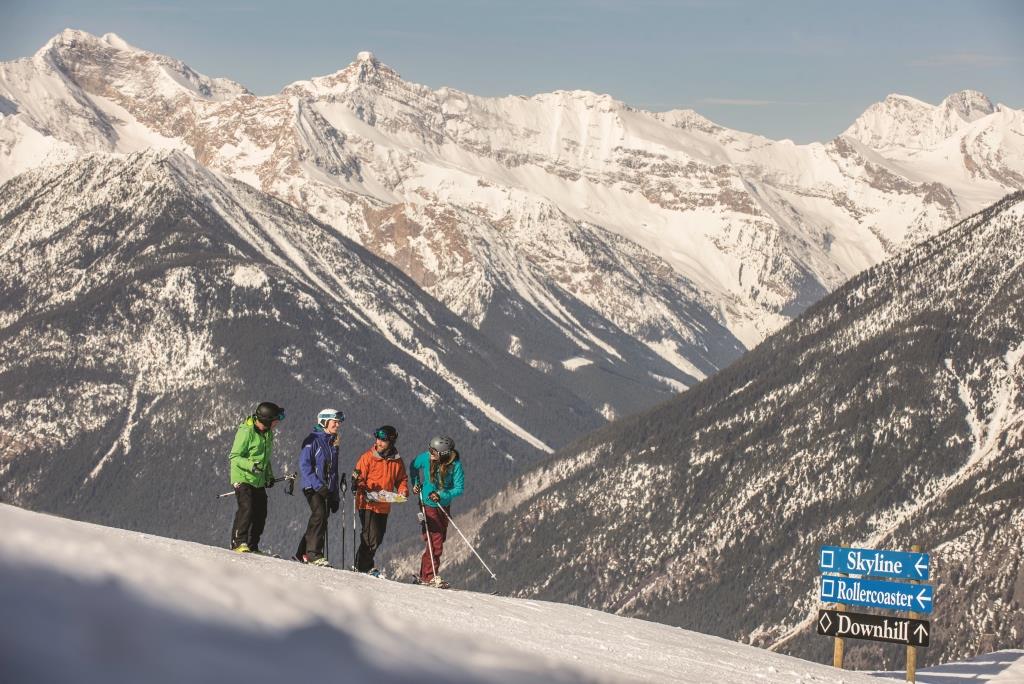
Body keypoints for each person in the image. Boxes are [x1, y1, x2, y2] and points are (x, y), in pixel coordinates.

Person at [352, 425, 409, 576]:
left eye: (383, 440)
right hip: (367, 503)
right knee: (369, 537)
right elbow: (359, 478)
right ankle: (363, 567)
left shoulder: (397, 461)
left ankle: (362, 566)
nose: (379, 442)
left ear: (391, 441)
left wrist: (403, 490)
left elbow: (401, 479)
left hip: (384, 504)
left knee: (378, 537)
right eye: (378, 438)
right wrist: (363, 489)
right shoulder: (368, 457)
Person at [229, 401, 284, 554]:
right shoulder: (246, 432)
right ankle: (238, 542)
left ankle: (252, 545)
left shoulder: (268, 433)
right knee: (247, 507)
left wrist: (269, 476)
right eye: (275, 420)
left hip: (257, 479)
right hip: (242, 476)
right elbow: (234, 457)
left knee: (261, 511)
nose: (277, 422)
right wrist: (251, 465)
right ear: (267, 420)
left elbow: (265, 459)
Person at [409, 435, 464, 588]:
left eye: (434, 451)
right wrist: (415, 483)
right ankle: (429, 576)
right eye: (430, 449)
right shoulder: (426, 458)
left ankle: (424, 575)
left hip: (443, 504)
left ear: (444, 454)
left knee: (438, 539)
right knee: (436, 541)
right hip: (427, 503)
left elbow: (459, 488)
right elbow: (413, 466)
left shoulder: (455, 465)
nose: (430, 453)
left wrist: (441, 495)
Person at [295, 408, 344, 567]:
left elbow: (333, 472)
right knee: (319, 515)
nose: (338, 425)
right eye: (334, 421)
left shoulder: (332, 442)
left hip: (326, 488)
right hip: (312, 486)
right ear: (324, 421)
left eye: (338, 422)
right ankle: (313, 554)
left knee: (321, 519)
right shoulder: (313, 440)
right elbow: (304, 465)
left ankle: (301, 553)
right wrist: (317, 485)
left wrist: (335, 496)